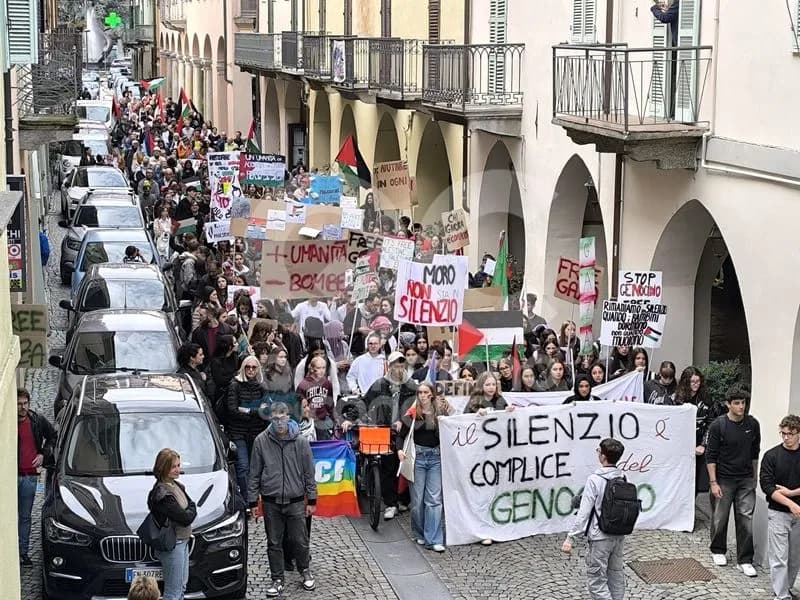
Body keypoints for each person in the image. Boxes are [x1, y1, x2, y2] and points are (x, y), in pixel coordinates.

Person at [247, 402, 317, 596]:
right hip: (271, 501)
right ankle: (277, 578)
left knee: (300, 540)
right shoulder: (261, 441)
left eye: (282, 418)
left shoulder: (301, 442)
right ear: (270, 419)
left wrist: (312, 499)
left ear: (289, 418)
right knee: (274, 542)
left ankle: (305, 571)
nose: (279, 422)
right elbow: (254, 474)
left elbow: (308, 472)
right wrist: (253, 502)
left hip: (295, 499)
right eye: (275, 418)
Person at [348, 351, 418, 520]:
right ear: (389, 366)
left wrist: (404, 419)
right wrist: (350, 419)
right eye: (395, 365)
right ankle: (391, 503)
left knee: (404, 467)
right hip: (384, 428)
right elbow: (364, 401)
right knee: (387, 466)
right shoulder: (380, 384)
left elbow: (418, 405)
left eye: (402, 365)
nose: (399, 368)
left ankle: (402, 499)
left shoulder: (411, 385)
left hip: (405, 431)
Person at [561, 438, 628, 600]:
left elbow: (584, 513)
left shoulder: (594, 480)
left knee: (597, 581)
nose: (598, 453)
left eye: (598, 451)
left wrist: (570, 538)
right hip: (618, 535)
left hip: (600, 537)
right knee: (616, 576)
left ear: (603, 456)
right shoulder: (623, 477)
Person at [706, 384, 760, 576]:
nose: (741, 407)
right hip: (724, 478)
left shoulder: (752, 424)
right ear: (728, 404)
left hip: (745, 479)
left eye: (743, 403)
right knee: (720, 517)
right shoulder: (718, 425)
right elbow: (710, 456)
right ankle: (718, 550)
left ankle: (745, 559)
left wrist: (754, 477)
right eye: (737, 403)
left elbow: (755, 452)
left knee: (746, 518)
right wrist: (713, 482)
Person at [398, 382, 452, 552]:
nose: (422, 395)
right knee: (417, 501)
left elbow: (454, 425)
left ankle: (434, 538)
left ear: (432, 394)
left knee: (434, 500)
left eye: (425, 392)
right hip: (418, 459)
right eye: (420, 392)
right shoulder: (413, 413)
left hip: (435, 458)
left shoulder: (440, 412)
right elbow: (401, 436)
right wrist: (399, 450)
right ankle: (419, 532)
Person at [760, 414, 800, 600]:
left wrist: (791, 493)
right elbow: (767, 487)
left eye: (790, 434)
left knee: (794, 558)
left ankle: (787, 588)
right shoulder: (771, 456)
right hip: (778, 513)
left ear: (798, 433)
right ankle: (781, 595)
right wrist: (791, 503)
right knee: (779, 558)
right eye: (783, 433)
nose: (786, 437)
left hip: (798, 514)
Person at [148, 449, 197, 600]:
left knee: (181, 587)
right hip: (173, 544)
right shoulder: (162, 493)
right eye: (173, 467)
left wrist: (191, 510)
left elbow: (191, 506)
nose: (178, 470)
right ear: (164, 468)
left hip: (183, 541)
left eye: (178, 465)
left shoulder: (177, 485)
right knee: (173, 592)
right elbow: (185, 517)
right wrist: (191, 510)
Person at [17, 388, 55, 566]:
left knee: (25, 517)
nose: (22, 407)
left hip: (30, 478)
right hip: (10, 477)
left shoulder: (37, 420)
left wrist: (43, 455)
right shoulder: (8, 423)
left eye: (25, 403)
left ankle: (22, 553)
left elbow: (53, 436)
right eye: (19, 404)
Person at [227, 356, 269, 499]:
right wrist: (256, 412)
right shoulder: (235, 385)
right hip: (238, 432)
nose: (251, 370)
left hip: (256, 432)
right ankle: (247, 499)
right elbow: (232, 410)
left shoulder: (262, 386)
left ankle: (254, 496)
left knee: (256, 467)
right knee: (243, 466)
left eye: (253, 367)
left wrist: (249, 411)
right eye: (248, 367)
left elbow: (267, 411)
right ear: (243, 368)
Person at [296, 356, 335, 440]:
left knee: (324, 443)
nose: (321, 371)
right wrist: (302, 399)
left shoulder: (327, 383)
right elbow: (297, 396)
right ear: (312, 368)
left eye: (323, 368)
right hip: (310, 420)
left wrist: (334, 418)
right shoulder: (304, 383)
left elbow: (330, 403)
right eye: (318, 368)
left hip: (323, 419)